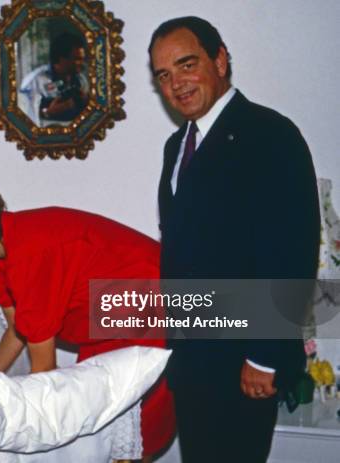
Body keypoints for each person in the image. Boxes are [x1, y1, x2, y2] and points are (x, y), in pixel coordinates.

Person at [0, 176, 175, 462]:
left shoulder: (30, 254)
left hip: (156, 303)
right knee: (96, 412)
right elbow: (16, 330)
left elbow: (44, 370)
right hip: (111, 314)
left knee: (131, 420)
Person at [148, 16, 320, 462]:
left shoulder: (270, 135)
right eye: (164, 76)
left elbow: (291, 251)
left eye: (187, 65)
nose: (177, 84)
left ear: (220, 60)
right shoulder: (176, 146)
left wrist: (264, 356)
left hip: (245, 356)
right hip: (193, 357)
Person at [19, 32, 89, 126]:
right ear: (61, 59)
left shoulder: (81, 79)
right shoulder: (34, 82)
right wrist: (47, 112)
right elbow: (22, 117)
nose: (82, 63)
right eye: (77, 59)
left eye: (82, 59)